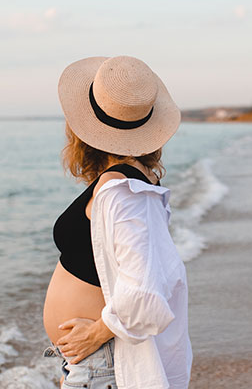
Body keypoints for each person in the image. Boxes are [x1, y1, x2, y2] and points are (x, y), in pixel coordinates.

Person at [42, 55, 191, 389]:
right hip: (93, 361)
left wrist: (96, 334)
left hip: (101, 360)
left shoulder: (122, 191)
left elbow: (147, 290)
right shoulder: (127, 182)